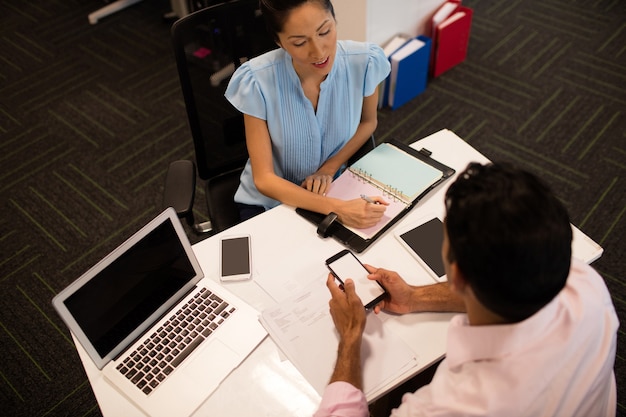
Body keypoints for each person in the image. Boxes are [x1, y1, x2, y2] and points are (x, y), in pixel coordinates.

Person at [315, 162, 619, 417]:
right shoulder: (586, 284)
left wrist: (352, 336)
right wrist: (414, 298)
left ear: (457, 274)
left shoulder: (453, 405)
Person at [225, 0, 390, 227]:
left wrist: (329, 168)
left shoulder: (364, 61)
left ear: (334, 19)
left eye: (325, 31)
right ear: (278, 41)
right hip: (270, 202)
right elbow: (264, 179)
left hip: (332, 187)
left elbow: (368, 123)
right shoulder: (257, 81)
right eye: (300, 43)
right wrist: (337, 209)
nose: (319, 51)